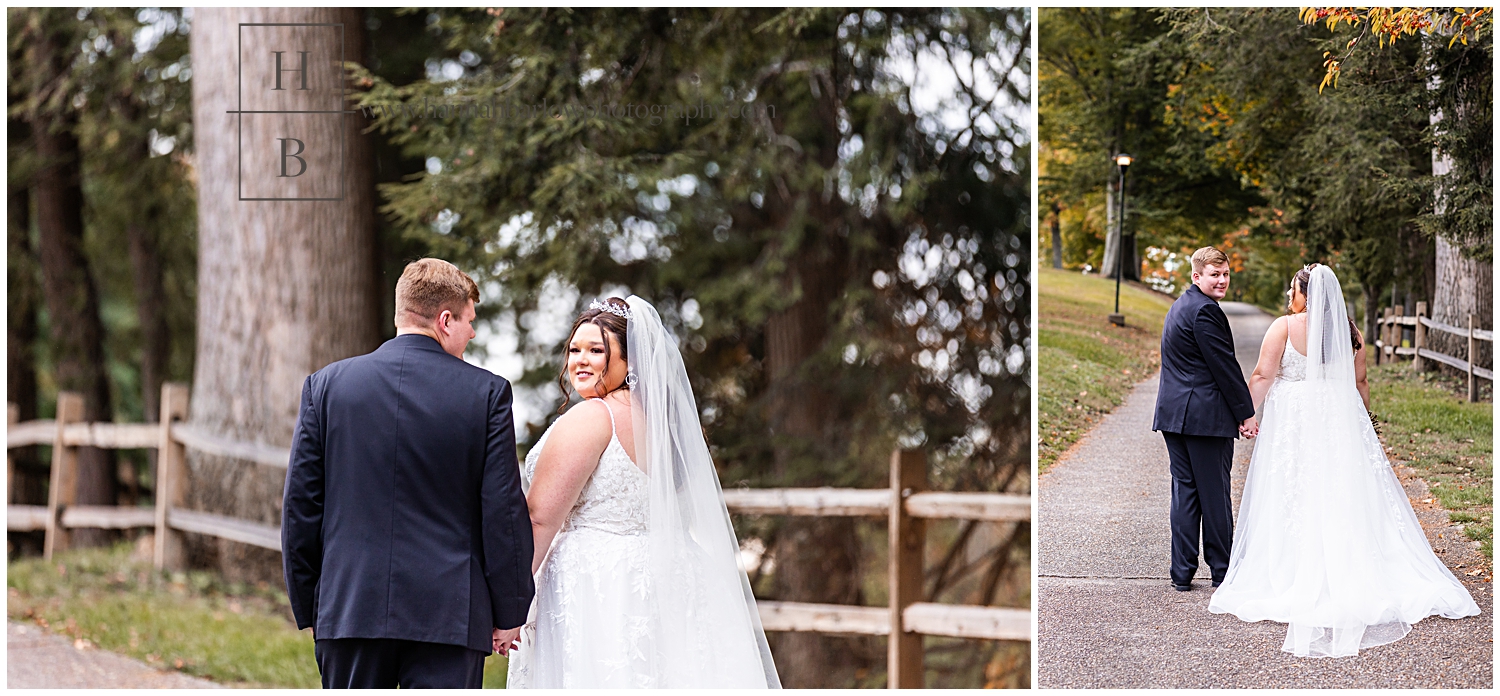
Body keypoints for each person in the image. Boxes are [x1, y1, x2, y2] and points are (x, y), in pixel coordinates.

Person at [282, 258, 535, 688]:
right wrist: (510, 612)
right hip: (450, 617)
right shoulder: (487, 394)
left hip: (348, 610)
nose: (472, 333)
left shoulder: (327, 386)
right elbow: (503, 512)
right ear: (445, 320)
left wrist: (312, 605)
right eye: (469, 321)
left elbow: (301, 508)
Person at [502, 296, 780, 688]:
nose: (580, 360)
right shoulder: (661, 425)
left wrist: (508, 602)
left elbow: (540, 517)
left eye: (596, 350)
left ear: (630, 361)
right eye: (574, 350)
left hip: (598, 589)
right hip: (664, 577)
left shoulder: (592, 416)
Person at [1208, 264, 1480, 657]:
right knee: (1340, 488)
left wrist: (1245, 414)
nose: (1289, 296)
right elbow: (1361, 383)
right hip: (1338, 419)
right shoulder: (1351, 333)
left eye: (1292, 289)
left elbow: (1263, 375)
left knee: (1293, 489)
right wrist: (1364, 425)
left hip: (1296, 422)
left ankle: (1291, 570)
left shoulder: (1284, 327)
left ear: (1307, 294)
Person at [1153, 246, 1258, 592]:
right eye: (1215, 274)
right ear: (1196, 276)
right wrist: (1245, 413)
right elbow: (1225, 367)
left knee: (1186, 493)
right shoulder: (1205, 312)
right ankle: (1222, 571)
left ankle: (1181, 573)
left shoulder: (1181, 306)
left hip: (1175, 415)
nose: (1222, 280)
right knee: (1214, 494)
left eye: (1226, 274)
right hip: (1203, 418)